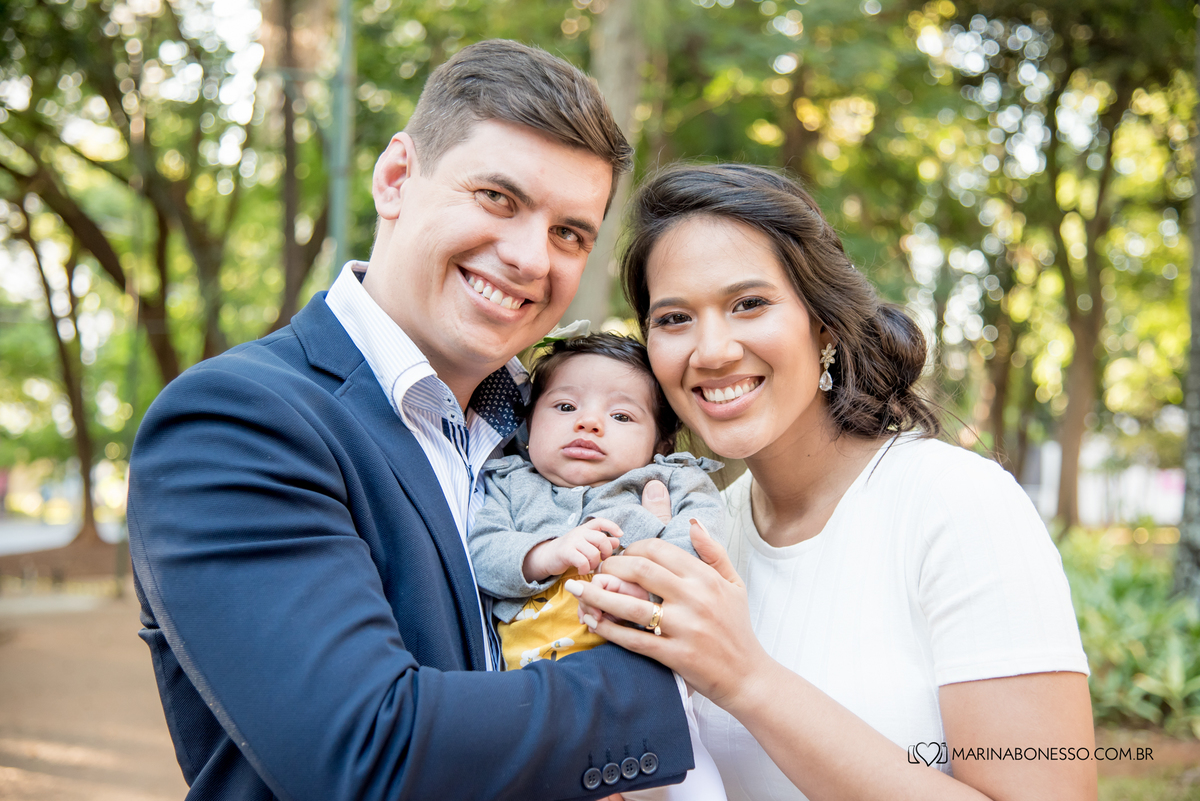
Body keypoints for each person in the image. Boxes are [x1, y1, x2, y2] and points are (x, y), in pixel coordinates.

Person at [126, 41, 693, 800]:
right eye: (497, 197)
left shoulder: (547, 429)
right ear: (396, 178)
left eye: (569, 233)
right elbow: (365, 753)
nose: (531, 258)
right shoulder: (235, 422)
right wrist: (683, 670)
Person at [570, 163, 1096, 800]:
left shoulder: (957, 503)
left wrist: (748, 679)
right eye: (674, 318)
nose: (711, 351)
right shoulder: (694, 537)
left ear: (822, 321)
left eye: (748, 304)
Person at [469, 331, 728, 801]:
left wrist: (646, 588)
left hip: (646, 700)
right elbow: (482, 552)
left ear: (660, 441)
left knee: (689, 788)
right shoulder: (508, 485)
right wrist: (546, 552)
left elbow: (698, 543)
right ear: (528, 424)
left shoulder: (672, 481)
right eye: (565, 406)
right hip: (531, 704)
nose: (588, 422)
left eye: (621, 415)